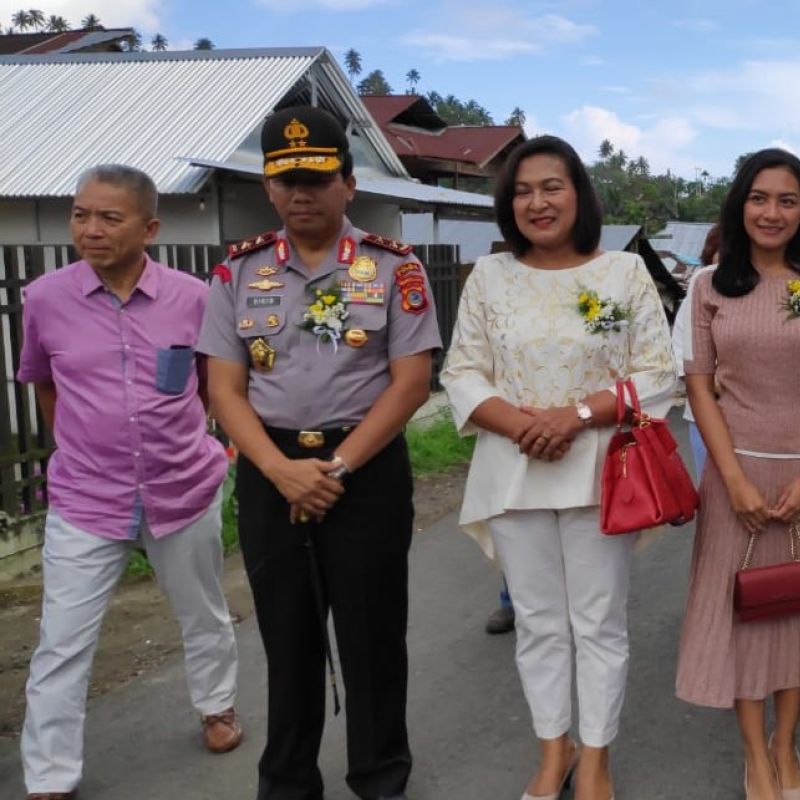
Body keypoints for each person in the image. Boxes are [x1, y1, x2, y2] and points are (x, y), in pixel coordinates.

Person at [198, 106, 441, 800]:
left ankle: (380, 775)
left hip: (363, 472)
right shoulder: (235, 274)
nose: (301, 194)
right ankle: (287, 781)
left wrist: (334, 469)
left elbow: (412, 382)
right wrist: (277, 471)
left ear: (347, 182)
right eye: (286, 182)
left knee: (371, 635)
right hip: (271, 471)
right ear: (270, 188)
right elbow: (225, 389)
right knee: (287, 636)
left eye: (316, 178)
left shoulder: (394, 268)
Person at [440, 135, 675, 800]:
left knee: (599, 622)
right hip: (513, 469)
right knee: (540, 622)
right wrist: (524, 424)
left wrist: (574, 416)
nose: (537, 202)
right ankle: (554, 750)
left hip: (603, 469)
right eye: (522, 190)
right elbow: (461, 371)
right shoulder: (490, 277)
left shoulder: (623, 275)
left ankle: (596, 757)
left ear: (580, 195)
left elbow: (658, 376)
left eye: (551, 186)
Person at [18, 164, 240, 800]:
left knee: (203, 612)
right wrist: (82, 449)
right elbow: (44, 382)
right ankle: (50, 775)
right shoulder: (45, 298)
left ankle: (217, 706)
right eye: (81, 215)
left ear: (149, 227)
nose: (90, 229)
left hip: (184, 487)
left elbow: (210, 386)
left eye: (109, 217)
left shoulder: (194, 298)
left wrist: (207, 443)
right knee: (61, 640)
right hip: (87, 498)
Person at [676, 149, 800, 800]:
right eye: (760, 198)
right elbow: (699, 387)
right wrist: (729, 478)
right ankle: (753, 753)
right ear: (740, 204)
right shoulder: (708, 286)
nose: (772, 212)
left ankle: (785, 746)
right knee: (742, 615)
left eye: (788, 200)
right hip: (736, 475)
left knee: (797, 614)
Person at [671, 223, 720, 475]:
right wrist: (714, 384)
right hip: (703, 413)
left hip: (755, 419)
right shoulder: (693, 301)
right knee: (711, 491)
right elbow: (680, 360)